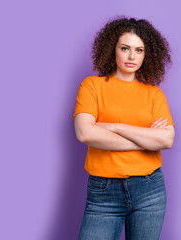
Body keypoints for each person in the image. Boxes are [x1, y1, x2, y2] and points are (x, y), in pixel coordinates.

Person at [73, 16, 175, 240]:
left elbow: (167, 140)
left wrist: (115, 126)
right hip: (103, 191)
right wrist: (145, 140)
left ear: (147, 54)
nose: (132, 56)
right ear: (113, 49)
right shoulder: (93, 86)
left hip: (150, 190)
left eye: (139, 50)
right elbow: (85, 133)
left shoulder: (154, 95)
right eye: (125, 48)